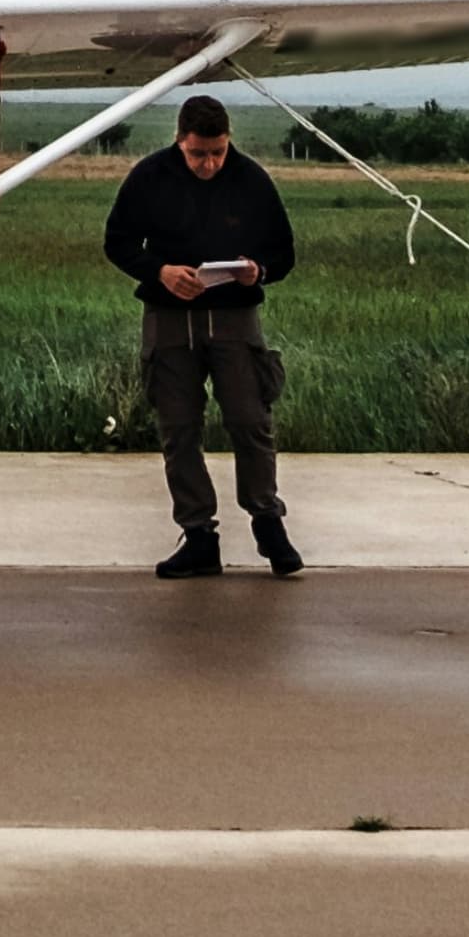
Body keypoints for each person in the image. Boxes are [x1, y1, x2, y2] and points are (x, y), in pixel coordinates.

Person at [102, 93, 303, 577]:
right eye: (198, 154)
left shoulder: (251, 178)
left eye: (217, 153)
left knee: (250, 421)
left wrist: (260, 271)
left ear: (228, 142)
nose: (209, 164)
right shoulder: (149, 177)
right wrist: (160, 271)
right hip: (170, 317)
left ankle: (267, 523)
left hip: (235, 319)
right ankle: (198, 535)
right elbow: (117, 243)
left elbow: (283, 252)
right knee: (179, 428)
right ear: (179, 141)